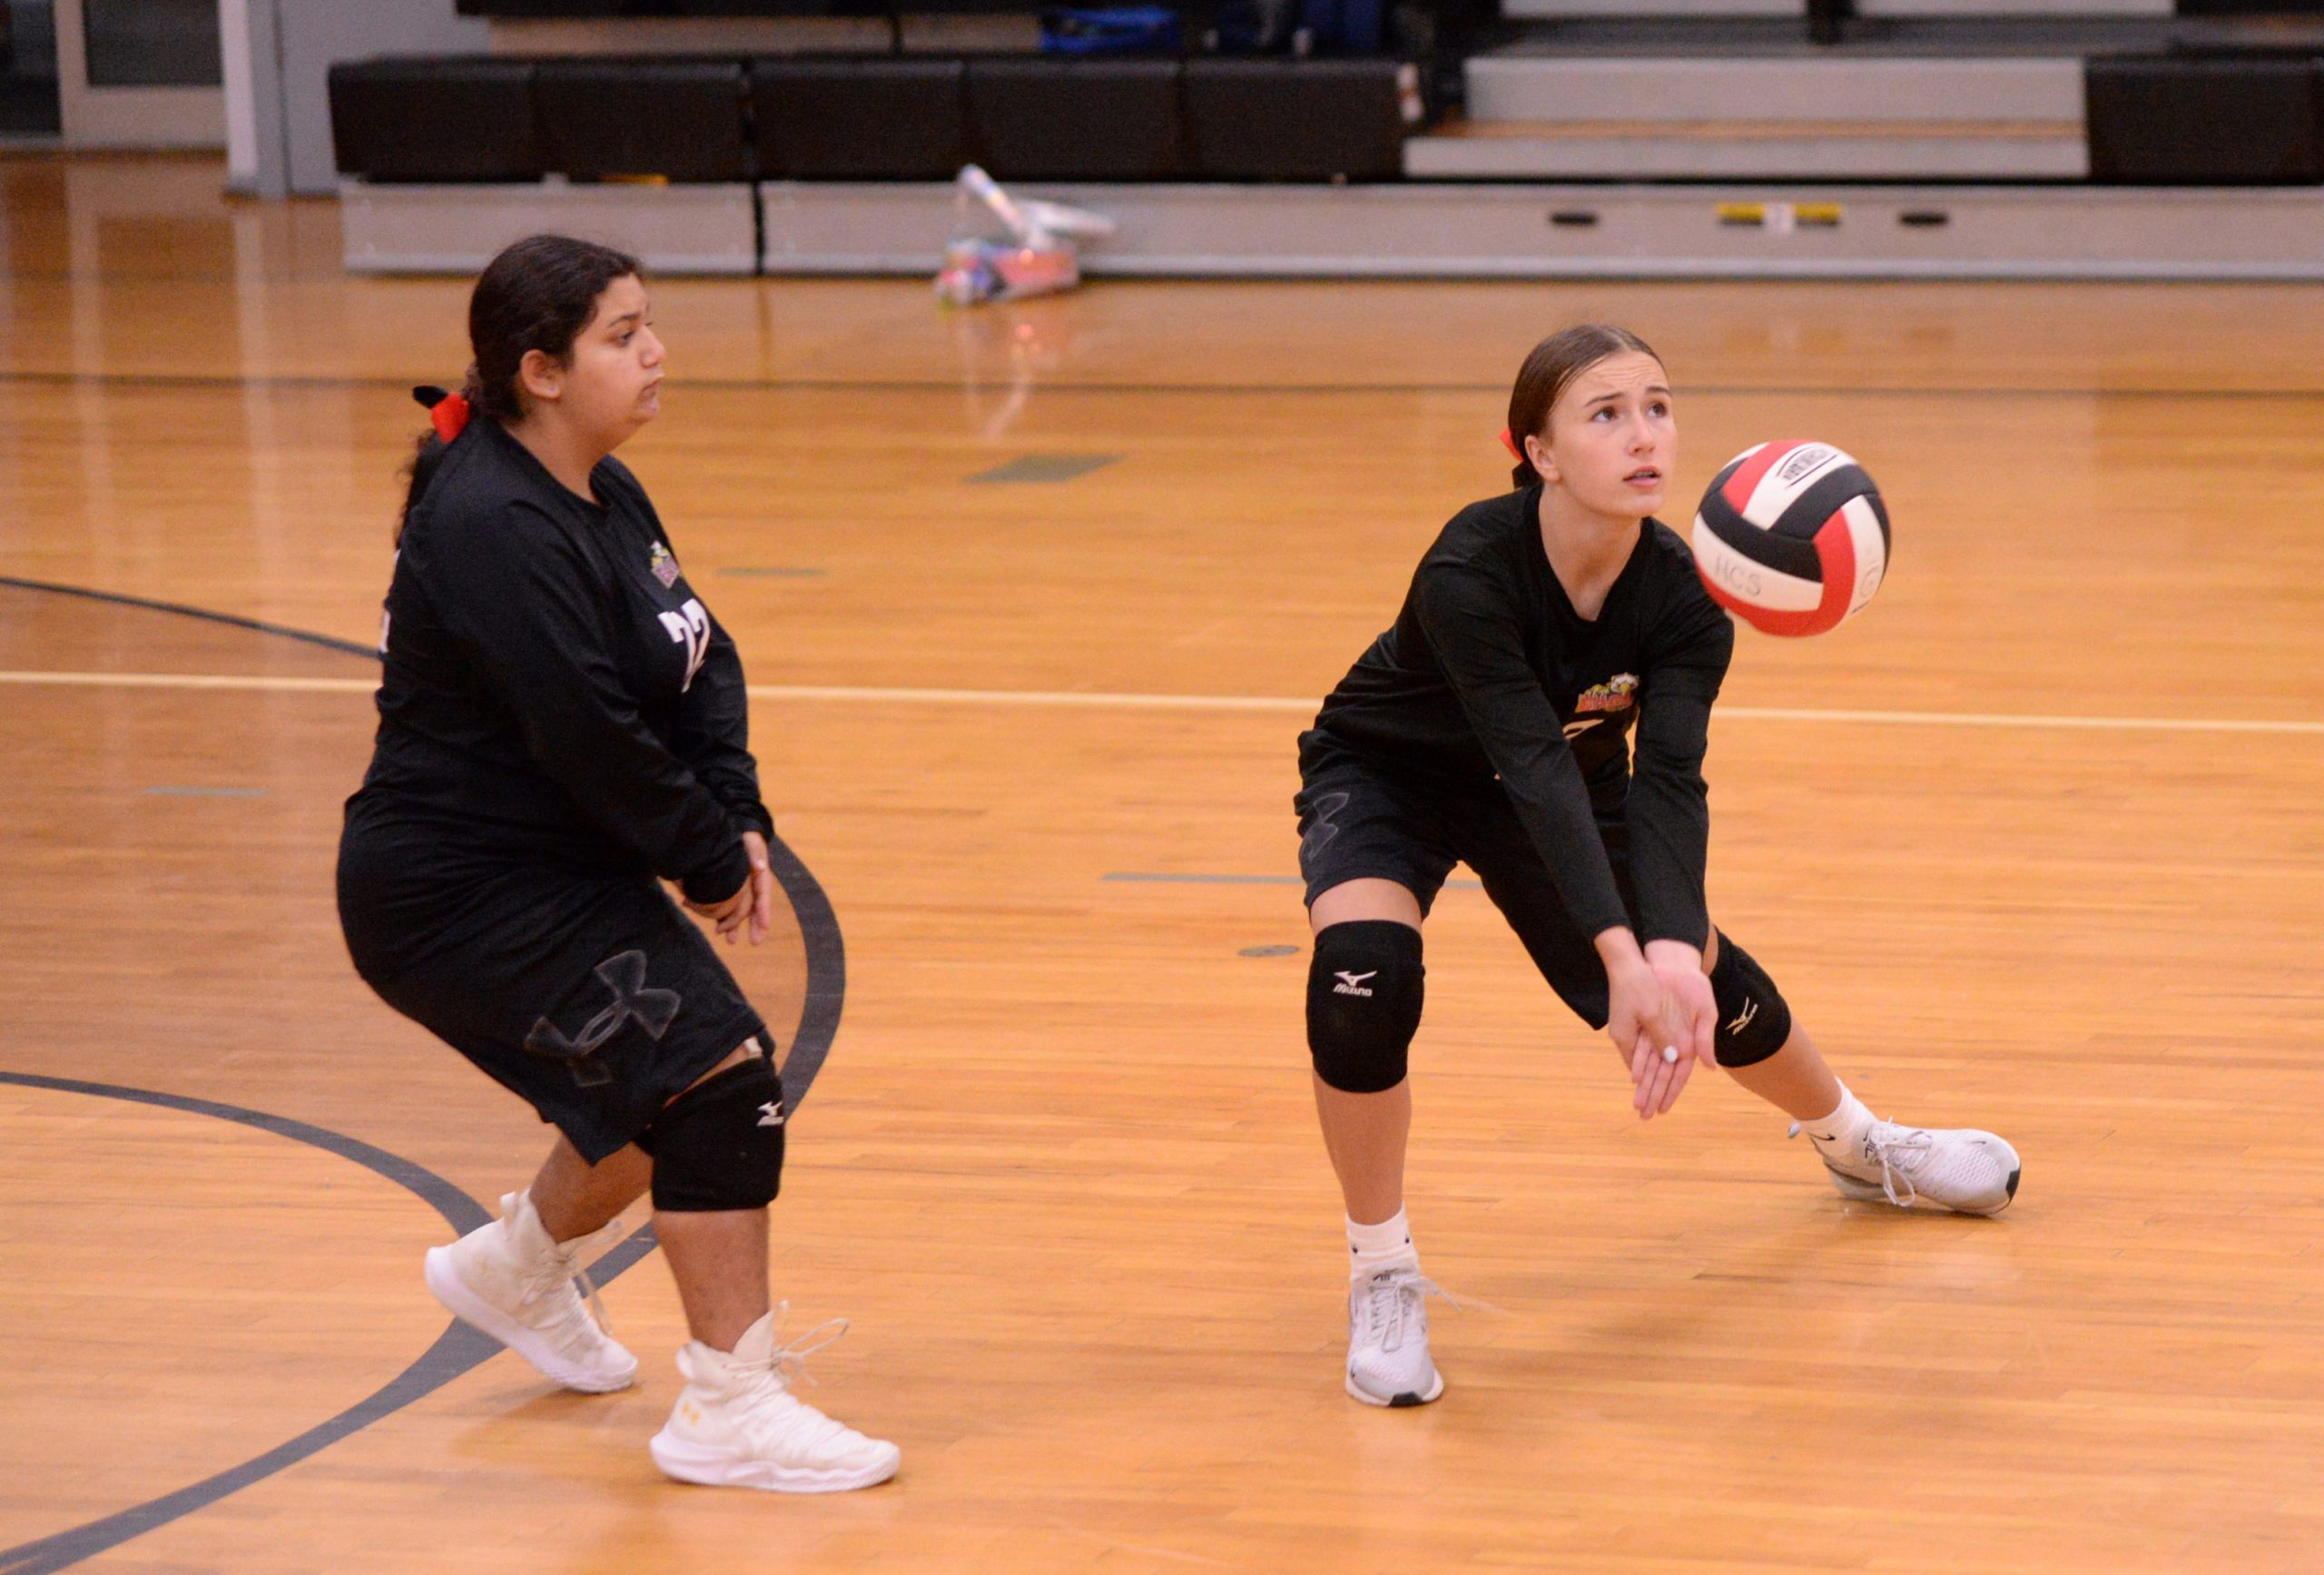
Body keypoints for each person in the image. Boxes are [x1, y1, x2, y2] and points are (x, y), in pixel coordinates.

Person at [1294, 323, 2020, 1409]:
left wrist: (1670, 952)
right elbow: (1528, 763)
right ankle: (1382, 1269)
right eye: (1606, 414)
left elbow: (1671, 780)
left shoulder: (1685, 593)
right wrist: (1619, 958)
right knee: (1364, 973)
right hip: (1394, 772)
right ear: (1537, 452)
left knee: (1704, 971)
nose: (1644, 435)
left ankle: (1859, 1144)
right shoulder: (1469, 567)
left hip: (1569, 780)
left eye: (1658, 407)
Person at [337, 233, 897, 1492]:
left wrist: (734, 813)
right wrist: (703, 858)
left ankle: (515, 1268)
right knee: (718, 1086)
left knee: (666, 1089)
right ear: (540, 371)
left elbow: (699, 654)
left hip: (555, 867)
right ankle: (730, 1406)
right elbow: (583, 725)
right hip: (456, 896)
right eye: (623, 335)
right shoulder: (490, 521)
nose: (656, 353)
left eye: (650, 326)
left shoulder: (599, 484)